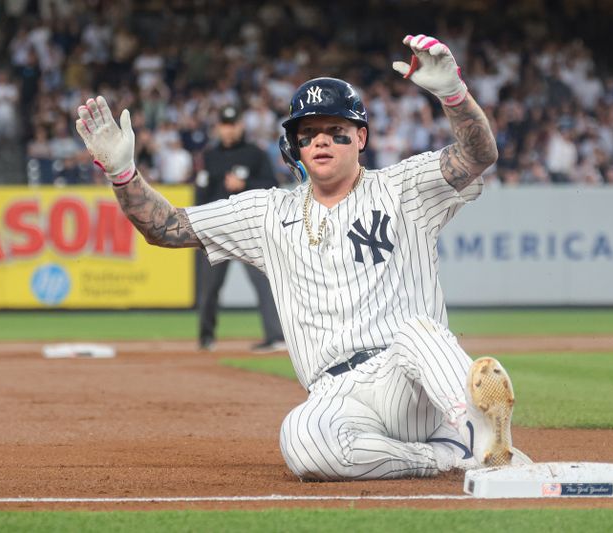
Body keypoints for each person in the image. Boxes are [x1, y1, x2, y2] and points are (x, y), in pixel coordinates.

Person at [76, 34, 531, 481]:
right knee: (302, 441)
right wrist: (122, 173)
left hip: (408, 382)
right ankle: (450, 456)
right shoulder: (268, 212)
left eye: (337, 130)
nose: (322, 141)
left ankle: (485, 439)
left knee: (417, 332)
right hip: (335, 391)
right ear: (294, 145)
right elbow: (165, 227)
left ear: (361, 137)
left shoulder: (402, 187)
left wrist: (453, 94)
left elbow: (477, 154)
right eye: (308, 132)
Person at [196, 104, 286, 352]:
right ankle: (206, 339)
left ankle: (275, 336)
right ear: (218, 128)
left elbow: (271, 185)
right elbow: (201, 193)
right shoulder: (210, 155)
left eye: (232, 124)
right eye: (224, 125)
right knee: (209, 288)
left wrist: (244, 183)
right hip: (217, 231)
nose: (228, 130)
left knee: (264, 283)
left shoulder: (254, 154)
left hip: (247, 231)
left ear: (240, 126)